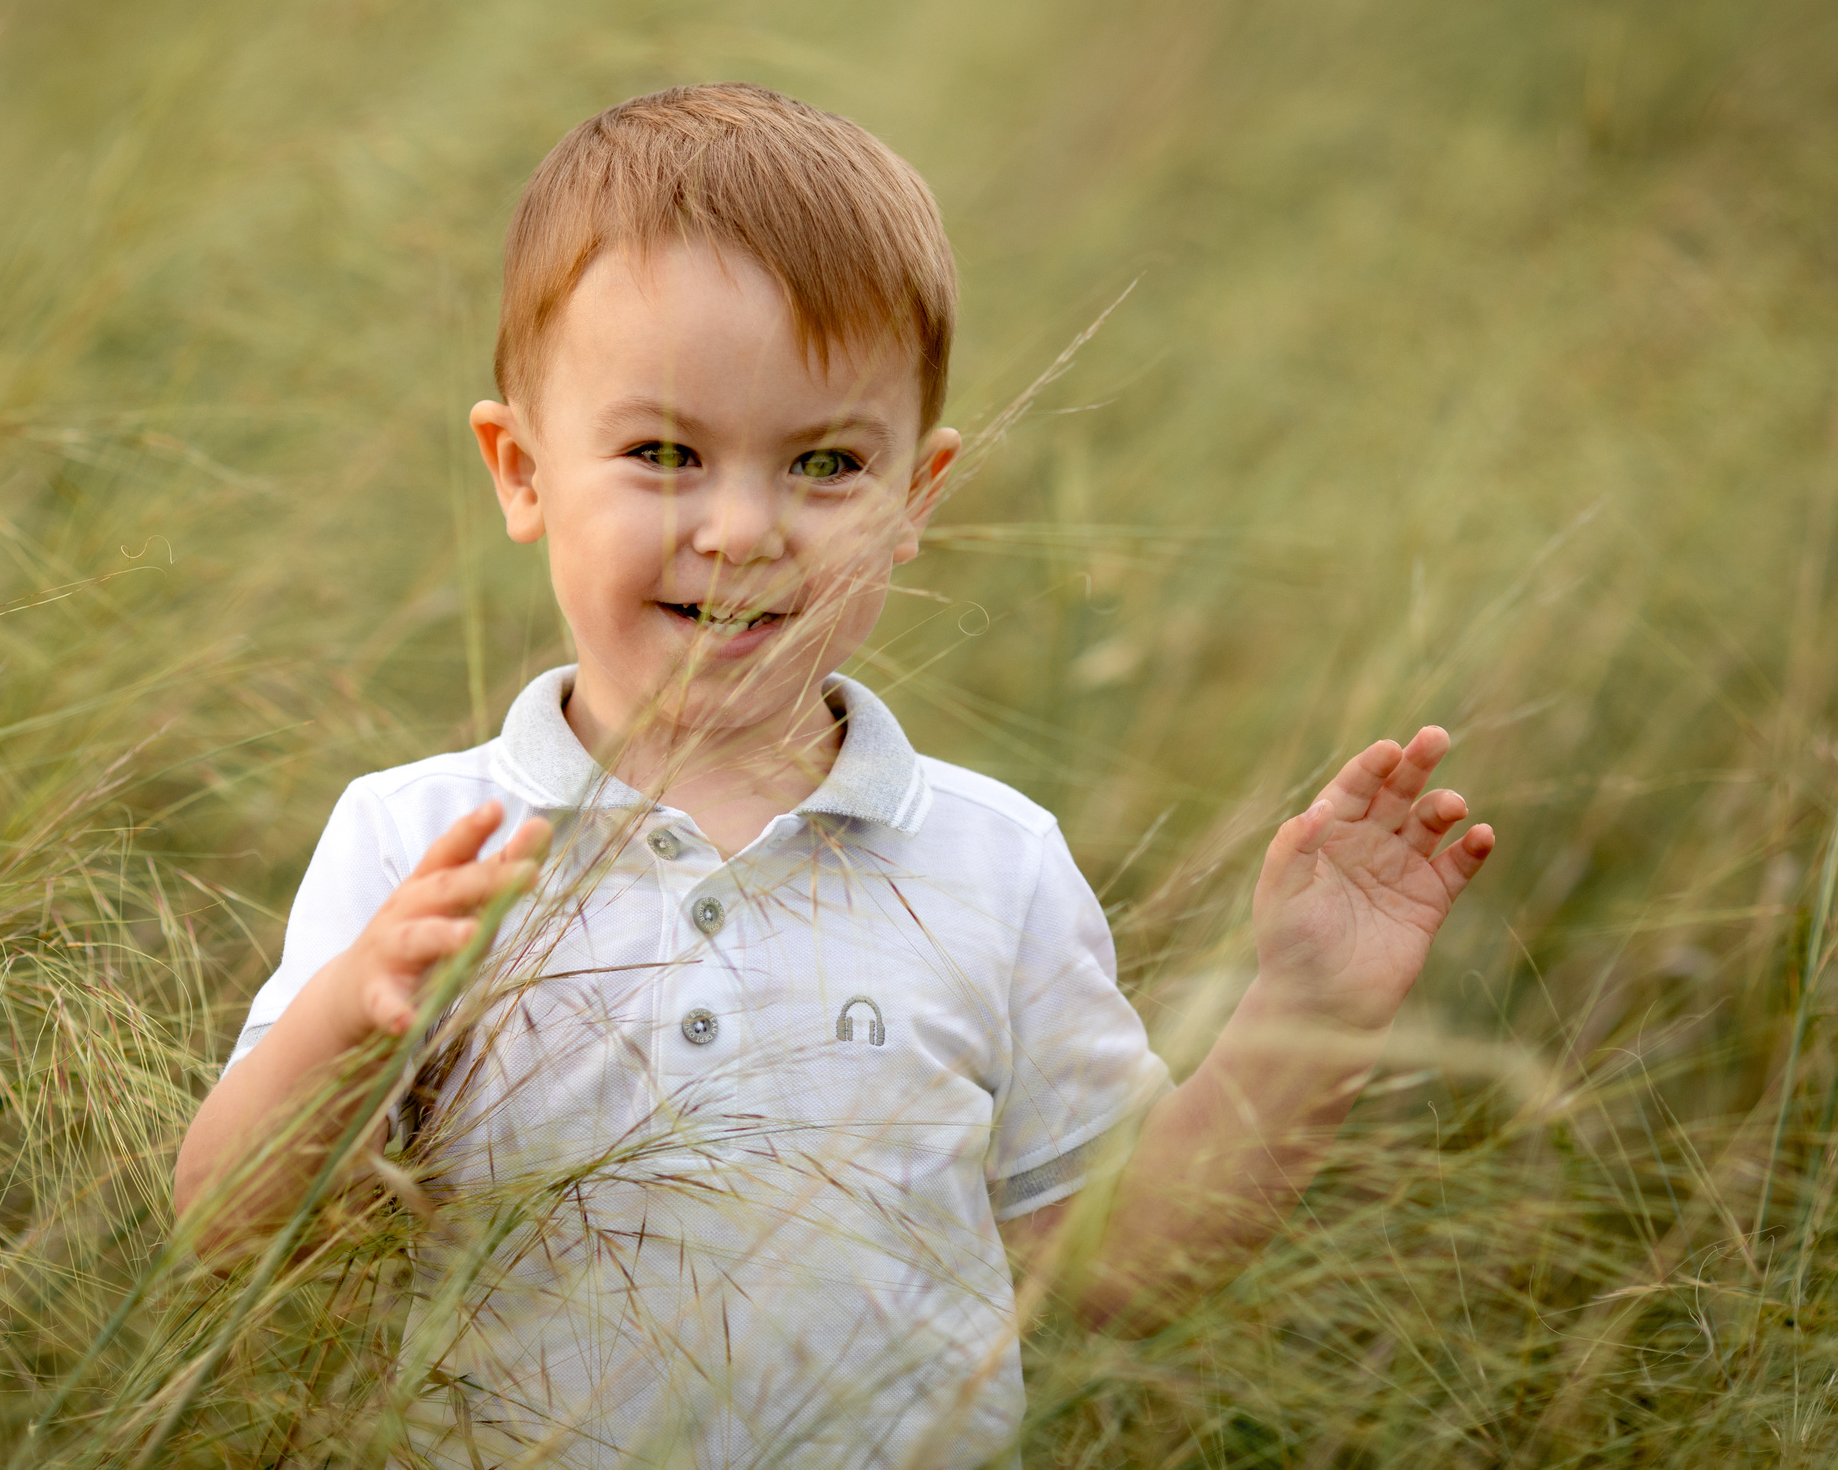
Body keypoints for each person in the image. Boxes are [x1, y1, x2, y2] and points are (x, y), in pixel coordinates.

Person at [172, 83, 1494, 1468]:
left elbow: (1114, 1267)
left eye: (823, 465)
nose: (744, 531)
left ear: (913, 498)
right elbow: (224, 1228)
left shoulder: (991, 864)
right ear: (522, 471)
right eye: (666, 455)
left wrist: (1313, 1012)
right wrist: (348, 1023)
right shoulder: (422, 844)